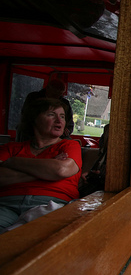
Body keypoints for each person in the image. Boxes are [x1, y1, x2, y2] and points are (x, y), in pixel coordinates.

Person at [0, 98, 82, 231]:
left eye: (62, 116)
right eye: (51, 115)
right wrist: (45, 172)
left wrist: (12, 162)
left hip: (50, 203)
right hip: (6, 204)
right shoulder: (11, 148)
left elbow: (61, 170)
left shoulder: (69, 145)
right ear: (34, 119)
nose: (59, 120)